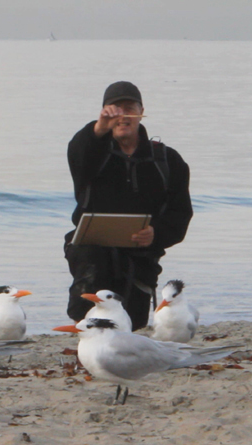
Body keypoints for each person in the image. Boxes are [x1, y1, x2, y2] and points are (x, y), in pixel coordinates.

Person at [64, 81, 193, 330]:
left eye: (129, 109)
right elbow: (77, 154)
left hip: (140, 256)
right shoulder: (92, 154)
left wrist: (157, 233)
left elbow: (181, 212)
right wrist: (99, 128)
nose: (122, 116)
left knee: (132, 325)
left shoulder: (168, 160)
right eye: (115, 110)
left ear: (141, 112)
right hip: (92, 253)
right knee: (91, 318)